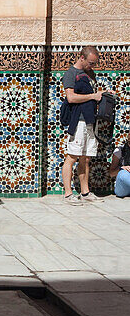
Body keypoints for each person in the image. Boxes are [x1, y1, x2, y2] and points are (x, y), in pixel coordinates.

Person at [62, 46, 105, 204]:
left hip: (90, 119)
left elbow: (91, 96)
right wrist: (93, 96)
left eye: (94, 63)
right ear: (81, 57)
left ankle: (85, 192)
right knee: (72, 157)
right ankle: (68, 193)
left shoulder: (90, 74)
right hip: (78, 120)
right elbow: (71, 98)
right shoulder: (71, 74)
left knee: (86, 158)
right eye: (90, 63)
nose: (92, 66)